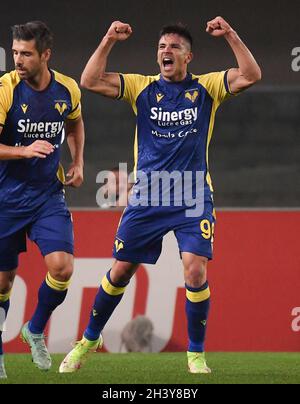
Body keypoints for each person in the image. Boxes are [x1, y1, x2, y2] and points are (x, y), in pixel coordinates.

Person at [59, 16, 261, 374]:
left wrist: (230, 33)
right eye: (162, 47)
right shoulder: (142, 87)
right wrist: (107, 39)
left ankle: (195, 354)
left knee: (195, 271)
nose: (166, 52)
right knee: (121, 271)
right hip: (148, 195)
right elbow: (89, 80)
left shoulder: (206, 88)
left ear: (189, 57)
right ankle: (89, 339)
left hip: (192, 193)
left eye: (174, 48)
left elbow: (250, 75)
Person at [0, 21, 84, 379]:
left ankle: (34, 329)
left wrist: (78, 161)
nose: (18, 59)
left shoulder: (67, 88)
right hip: (5, 199)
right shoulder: (5, 89)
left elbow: (76, 122)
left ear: (45, 55)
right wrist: (23, 150)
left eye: (26, 53)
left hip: (48, 194)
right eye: (15, 52)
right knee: (3, 282)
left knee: (62, 267)